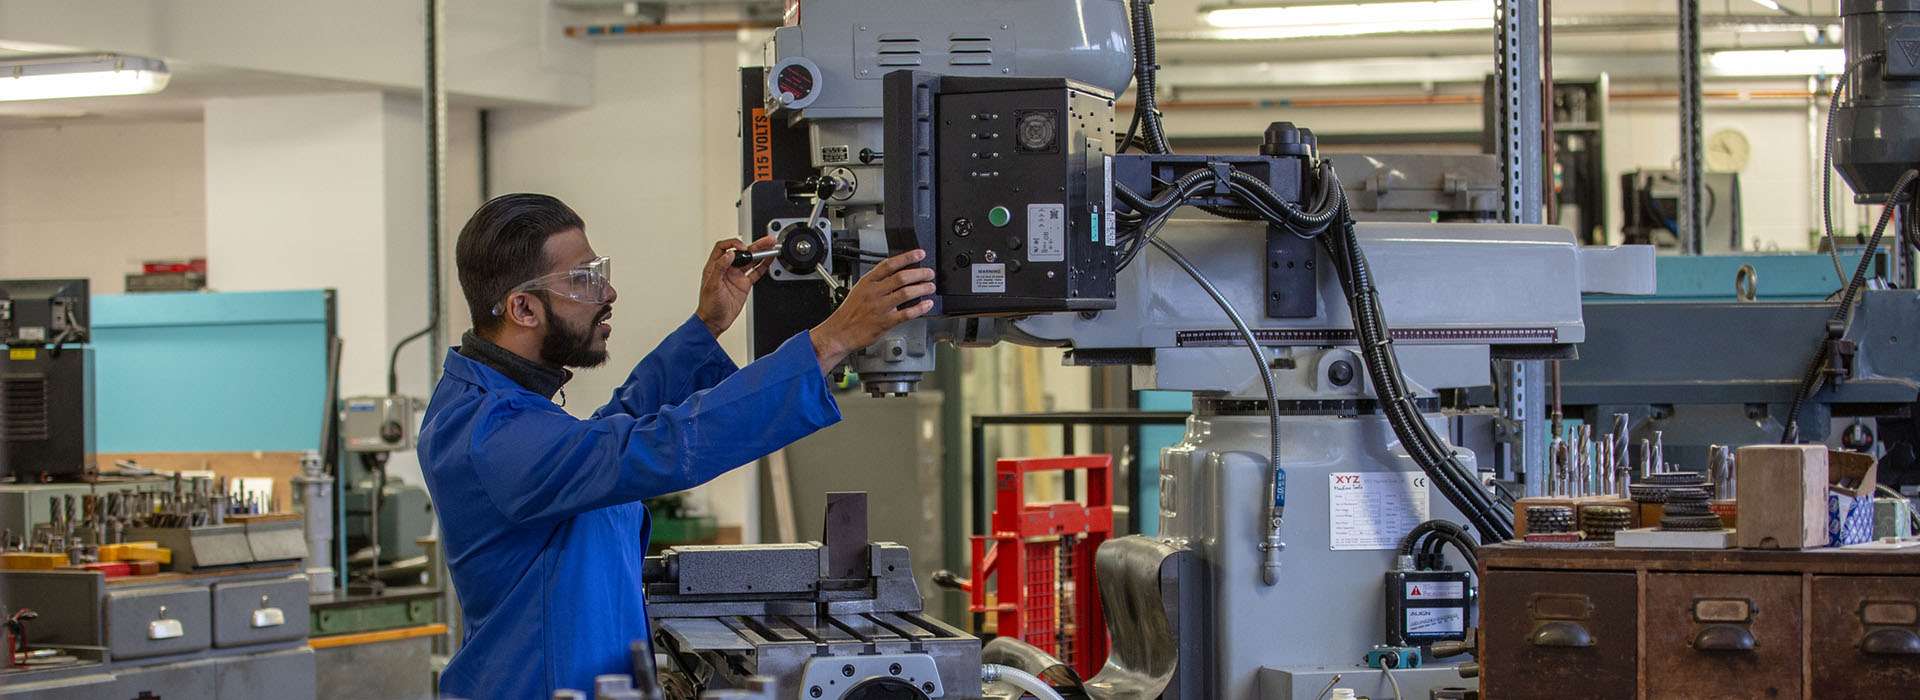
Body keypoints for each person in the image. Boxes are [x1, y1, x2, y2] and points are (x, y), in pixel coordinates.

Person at [417, 193, 933, 698]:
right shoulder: (490, 432)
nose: (608, 292)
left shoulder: (504, 410)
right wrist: (830, 342)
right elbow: (657, 446)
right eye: (582, 279)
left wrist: (707, 326)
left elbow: (611, 436)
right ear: (523, 308)